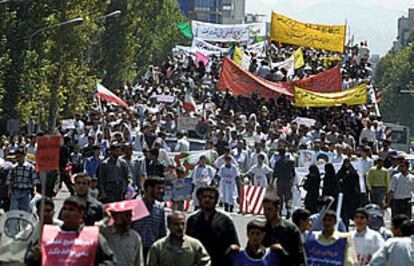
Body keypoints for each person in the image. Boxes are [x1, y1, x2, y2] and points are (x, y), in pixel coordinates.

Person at [26, 196, 115, 265]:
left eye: (71, 210)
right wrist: (34, 257)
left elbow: (110, 261)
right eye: (65, 209)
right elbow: (29, 260)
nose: (66, 212)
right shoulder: (48, 234)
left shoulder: (92, 236)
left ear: (81, 214)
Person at [186, 186, 239, 266]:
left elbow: (235, 244)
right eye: (204, 197)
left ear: (216, 201)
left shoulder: (225, 220)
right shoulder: (192, 220)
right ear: (200, 199)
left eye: (211, 197)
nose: (207, 199)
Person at [147, 211, 211, 266]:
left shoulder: (194, 245)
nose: (180, 227)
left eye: (182, 224)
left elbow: (206, 262)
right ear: (169, 225)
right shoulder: (158, 247)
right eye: (176, 224)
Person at [261, 193, 305, 266]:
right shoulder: (261, 228)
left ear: (278, 208)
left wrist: (281, 251)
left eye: (269, 209)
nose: (266, 212)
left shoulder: (290, 229)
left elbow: (299, 258)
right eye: (264, 209)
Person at [100, 200, 144, 266]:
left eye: (130, 215)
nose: (129, 219)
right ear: (115, 216)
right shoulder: (104, 234)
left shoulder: (135, 237)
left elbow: (139, 262)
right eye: (126, 215)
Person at [132, 177, 166, 260]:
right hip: (136, 250)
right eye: (158, 188)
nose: (161, 191)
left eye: (162, 188)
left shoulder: (160, 208)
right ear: (149, 188)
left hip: (153, 251)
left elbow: (162, 231)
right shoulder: (135, 207)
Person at [338, 158, 360, 229]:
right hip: (344, 193)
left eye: (348, 163)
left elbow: (356, 178)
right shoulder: (342, 170)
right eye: (345, 163)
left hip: (352, 194)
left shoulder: (352, 171)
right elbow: (338, 177)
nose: (346, 165)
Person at [272, 149, 295, 217]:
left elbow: (274, 174)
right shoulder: (290, 162)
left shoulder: (278, 163)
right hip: (288, 181)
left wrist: (271, 183)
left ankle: (280, 211)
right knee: (288, 196)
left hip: (280, 181)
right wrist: (292, 182)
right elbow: (293, 173)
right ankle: (288, 209)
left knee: (280, 197)